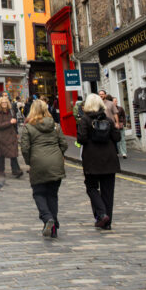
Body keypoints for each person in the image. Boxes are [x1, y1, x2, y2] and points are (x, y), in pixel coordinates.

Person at [21, 99, 68, 238]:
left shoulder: (28, 127)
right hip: (55, 162)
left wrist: (30, 161)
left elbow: (25, 148)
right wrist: (59, 155)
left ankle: (48, 218)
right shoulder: (55, 126)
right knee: (52, 195)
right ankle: (53, 228)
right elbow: (64, 144)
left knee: (39, 193)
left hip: (38, 162)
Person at [77, 93, 121, 229]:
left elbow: (81, 139)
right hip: (109, 159)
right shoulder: (108, 120)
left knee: (91, 188)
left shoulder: (84, 120)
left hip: (92, 160)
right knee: (108, 192)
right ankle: (107, 223)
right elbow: (117, 137)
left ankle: (101, 214)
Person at [0, 95, 23, 178]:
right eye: (2, 103)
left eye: (6, 102)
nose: (4, 104)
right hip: (2, 136)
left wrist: (16, 132)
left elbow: (15, 123)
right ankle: (1, 170)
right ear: (0, 104)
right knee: (1, 154)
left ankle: (15, 170)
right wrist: (10, 122)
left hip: (11, 135)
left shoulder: (11, 111)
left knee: (13, 152)